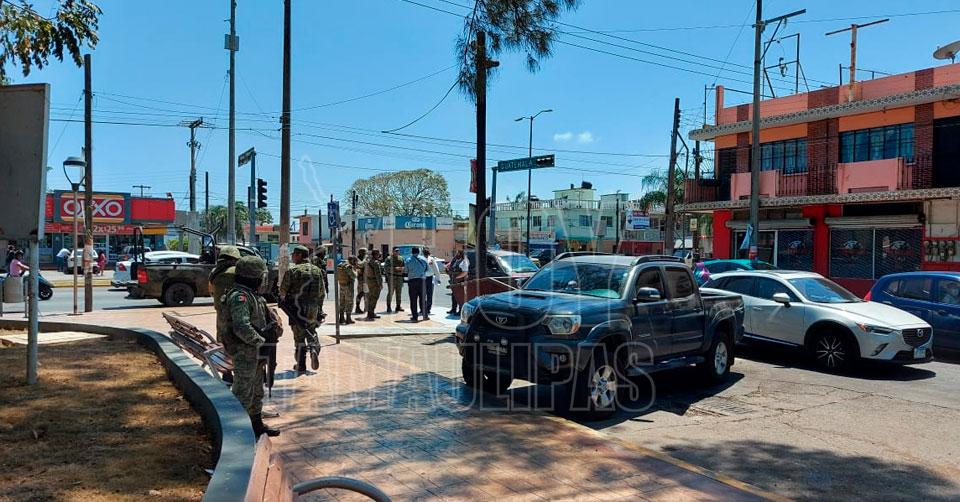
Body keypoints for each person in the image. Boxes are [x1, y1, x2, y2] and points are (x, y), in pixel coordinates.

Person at [222, 255, 281, 437]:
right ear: (253, 276)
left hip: (255, 352)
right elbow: (241, 326)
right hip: (245, 352)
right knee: (242, 393)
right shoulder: (240, 297)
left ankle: (256, 424)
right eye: (261, 276)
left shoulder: (252, 296)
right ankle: (238, 432)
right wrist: (261, 342)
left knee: (256, 391)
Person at [280, 245, 323, 375]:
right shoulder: (317, 271)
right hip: (313, 306)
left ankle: (301, 364)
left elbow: (282, 292)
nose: (292, 257)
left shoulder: (293, 271)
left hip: (297, 308)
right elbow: (321, 292)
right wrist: (319, 309)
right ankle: (314, 348)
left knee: (299, 337)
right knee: (311, 329)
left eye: (294, 254)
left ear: (299, 255)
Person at [209, 246, 242, 343]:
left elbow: (211, 290)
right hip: (236, 309)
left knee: (221, 333)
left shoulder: (214, 271)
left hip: (220, 307)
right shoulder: (237, 271)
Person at [403, 247, 429, 322]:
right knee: (423, 299)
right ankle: (425, 315)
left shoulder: (408, 260)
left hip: (412, 281)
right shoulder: (424, 259)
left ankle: (415, 317)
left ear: (412, 252)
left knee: (413, 300)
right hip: (422, 281)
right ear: (419, 251)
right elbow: (427, 269)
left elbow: (405, 271)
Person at [336, 256, 358, 324]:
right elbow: (354, 275)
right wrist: (355, 270)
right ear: (352, 260)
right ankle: (348, 318)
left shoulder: (340, 265)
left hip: (342, 285)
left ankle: (341, 318)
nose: (356, 263)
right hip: (348, 286)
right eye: (355, 261)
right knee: (349, 302)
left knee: (342, 302)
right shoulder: (348, 267)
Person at [447, 249, 469, 315]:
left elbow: (465, 272)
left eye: (458, 253)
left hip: (460, 282)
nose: (456, 254)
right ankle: (453, 309)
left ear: (461, 254)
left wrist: (457, 277)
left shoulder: (464, 261)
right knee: (454, 296)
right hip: (454, 282)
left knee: (460, 296)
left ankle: (460, 311)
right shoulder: (456, 260)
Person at [310, 246, 330, 320]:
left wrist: (327, 284)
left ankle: (319, 311)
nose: (325, 254)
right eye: (324, 252)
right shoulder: (316, 259)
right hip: (317, 282)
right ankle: (318, 313)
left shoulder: (318, 259)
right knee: (319, 297)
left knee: (319, 297)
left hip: (318, 281)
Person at [364, 249, 384, 320]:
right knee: (374, 297)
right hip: (375, 282)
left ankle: (370, 312)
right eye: (378, 253)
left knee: (370, 297)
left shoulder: (368, 261)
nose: (380, 254)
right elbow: (378, 274)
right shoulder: (375, 263)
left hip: (369, 281)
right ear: (376, 254)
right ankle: (371, 313)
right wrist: (380, 284)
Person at [384, 247, 405, 313]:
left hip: (400, 277)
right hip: (392, 277)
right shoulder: (389, 258)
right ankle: (388, 306)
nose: (397, 252)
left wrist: (402, 269)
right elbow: (386, 268)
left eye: (398, 251)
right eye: (396, 251)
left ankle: (398, 306)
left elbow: (404, 266)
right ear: (393, 251)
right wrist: (395, 269)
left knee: (399, 293)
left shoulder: (401, 258)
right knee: (391, 293)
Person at [422, 247, 442, 316]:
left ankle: (428, 309)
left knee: (429, 294)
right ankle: (423, 308)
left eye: (426, 252)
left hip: (430, 278)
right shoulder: (421, 259)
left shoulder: (431, 259)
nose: (426, 253)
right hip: (423, 278)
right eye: (425, 252)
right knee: (423, 294)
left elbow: (436, 269)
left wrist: (438, 278)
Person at [354, 248, 367, 315]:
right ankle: (357, 307)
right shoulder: (357, 259)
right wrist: (365, 260)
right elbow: (360, 265)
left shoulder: (363, 259)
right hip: (361, 279)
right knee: (360, 293)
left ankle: (366, 308)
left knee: (366, 293)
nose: (366, 254)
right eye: (365, 252)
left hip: (366, 279)